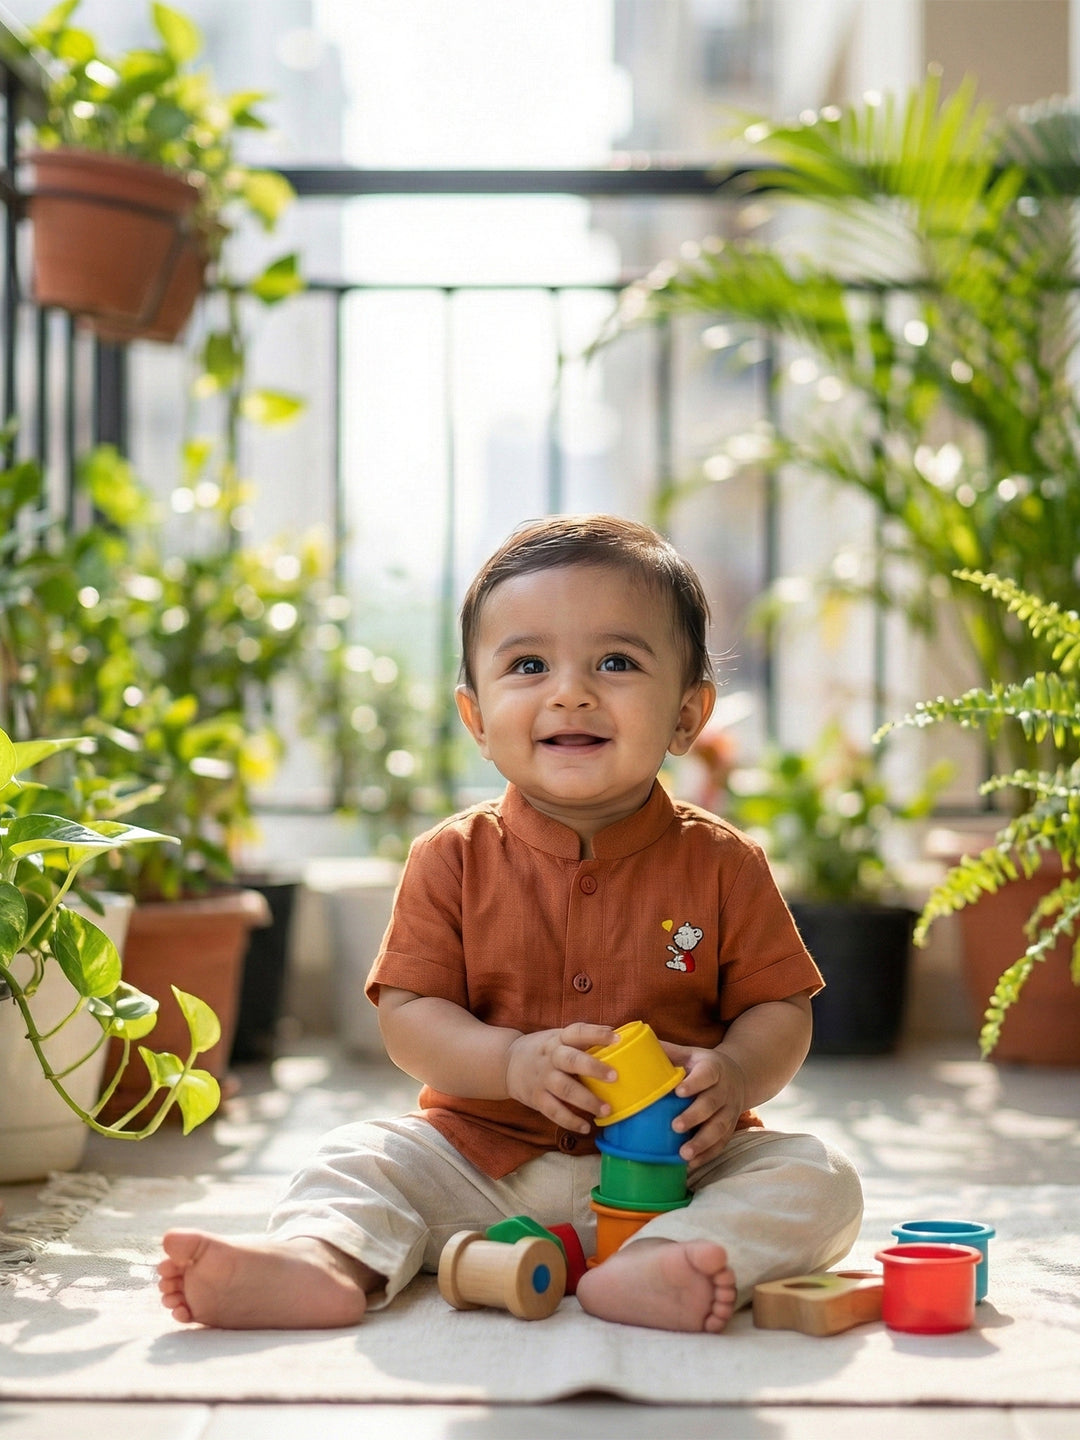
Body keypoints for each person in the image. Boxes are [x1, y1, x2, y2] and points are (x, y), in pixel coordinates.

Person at [157, 513, 862, 1333]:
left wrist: (736, 1074)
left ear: (687, 714)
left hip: (680, 1177)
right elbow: (409, 1017)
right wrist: (510, 1061)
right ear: (477, 719)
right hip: (480, 1168)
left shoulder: (724, 863)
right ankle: (323, 1260)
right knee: (356, 1156)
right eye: (528, 664)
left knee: (821, 1179)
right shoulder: (450, 858)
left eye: (617, 661)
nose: (572, 690)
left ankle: (656, 1265)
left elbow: (780, 1008)